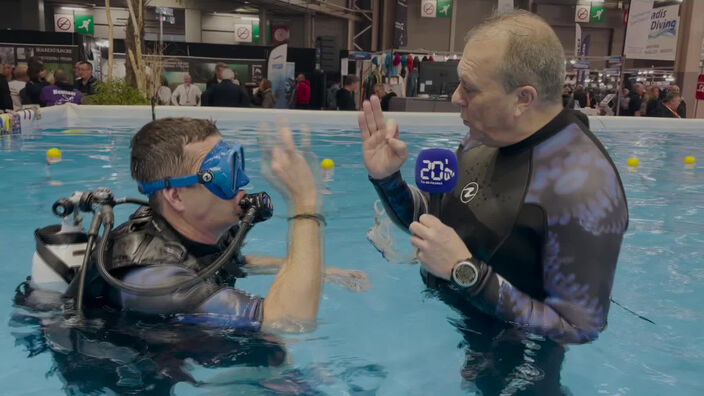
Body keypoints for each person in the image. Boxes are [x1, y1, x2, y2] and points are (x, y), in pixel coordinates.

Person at [359, 11, 627, 393]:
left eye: (469, 88)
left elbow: (578, 328)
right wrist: (387, 180)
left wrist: (465, 271)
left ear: (523, 98)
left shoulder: (582, 187)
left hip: (521, 368)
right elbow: (435, 223)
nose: (455, 98)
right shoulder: (480, 139)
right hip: (464, 331)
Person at [73, 117, 365, 331]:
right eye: (224, 173)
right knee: (270, 350)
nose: (243, 183)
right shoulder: (155, 280)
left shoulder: (190, 229)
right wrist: (305, 203)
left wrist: (325, 272)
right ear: (176, 196)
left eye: (237, 166)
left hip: (178, 345)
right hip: (125, 378)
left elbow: (232, 261)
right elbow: (289, 321)